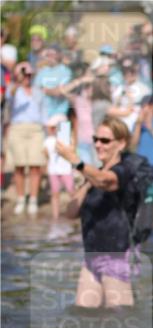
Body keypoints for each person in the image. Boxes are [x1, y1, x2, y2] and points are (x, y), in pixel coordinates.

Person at [54, 118, 137, 308]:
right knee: (83, 316)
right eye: (96, 139)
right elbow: (70, 212)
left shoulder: (126, 170)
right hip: (91, 257)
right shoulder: (93, 175)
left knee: (121, 320)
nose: (98, 145)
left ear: (121, 143)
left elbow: (106, 181)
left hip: (116, 257)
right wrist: (86, 182)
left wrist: (76, 161)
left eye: (105, 141)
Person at [5, 62, 45, 216]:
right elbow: (9, 95)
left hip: (36, 129)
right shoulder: (14, 89)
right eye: (25, 74)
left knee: (36, 165)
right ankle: (21, 199)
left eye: (29, 75)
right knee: (19, 166)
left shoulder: (37, 91)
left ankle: (33, 199)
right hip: (18, 128)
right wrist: (18, 79)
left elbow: (43, 111)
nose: (27, 78)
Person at [43, 115, 73, 222]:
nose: (51, 130)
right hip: (54, 170)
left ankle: (74, 213)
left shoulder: (67, 139)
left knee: (71, 191)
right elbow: (46, 154)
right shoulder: (48, 140)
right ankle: (55, 216)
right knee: (55, 193)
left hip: (66, 170)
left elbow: (71, 152)